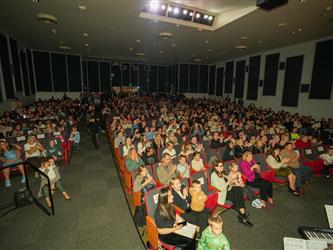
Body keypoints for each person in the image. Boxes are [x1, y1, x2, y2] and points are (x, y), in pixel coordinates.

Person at [210, 162, 253, 227]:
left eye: (222, 166)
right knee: (237, 191)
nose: (222, 167)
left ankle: (242, 213)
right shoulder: (213, 175)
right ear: (216, 167)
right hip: (222, 194)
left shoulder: (221, 172)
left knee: (238, 189)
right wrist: (229, 181)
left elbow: (227, 179)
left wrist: (233, 181)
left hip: (228, 189)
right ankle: (242, 213)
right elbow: (220, 188)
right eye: (220, 166)